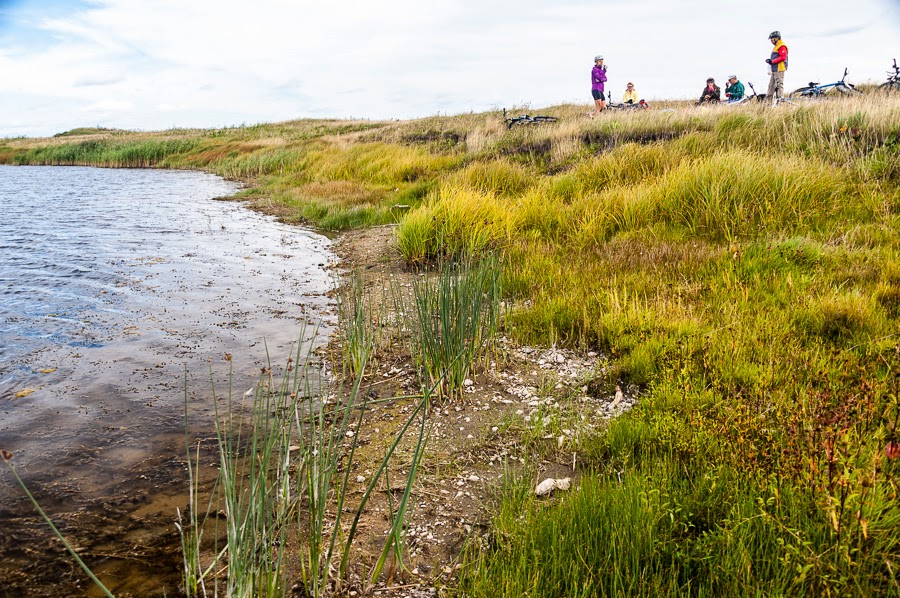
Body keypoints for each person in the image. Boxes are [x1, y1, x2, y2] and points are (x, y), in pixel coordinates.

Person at [766, 30, 788, 105]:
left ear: (777, 38)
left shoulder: (781, 46)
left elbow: (783, 57)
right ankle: (768, 103)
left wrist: (772, 61)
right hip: (774, 70)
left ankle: (780, 102)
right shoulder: (776, 47)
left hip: (779, 69)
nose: (771, 41)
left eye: (772, 39)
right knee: (771, 86)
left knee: (779, 85)